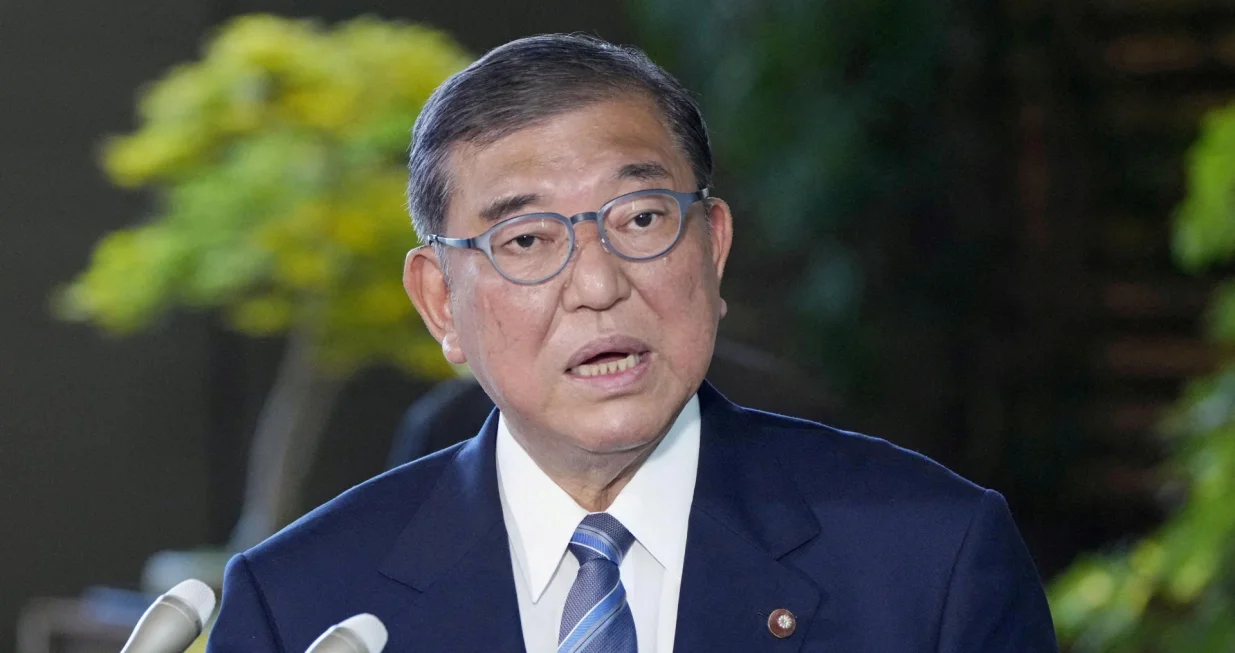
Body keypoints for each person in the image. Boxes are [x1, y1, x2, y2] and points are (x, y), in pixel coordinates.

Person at [206, 34, 1058, 652]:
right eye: (527, 239)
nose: (597, 283)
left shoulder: (930, 559)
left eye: (641, 219)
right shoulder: (301, 605)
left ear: (712, 248)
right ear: (440, 302)